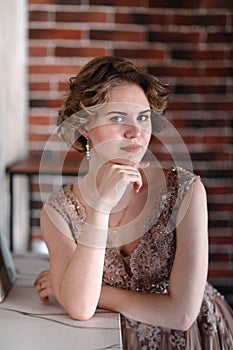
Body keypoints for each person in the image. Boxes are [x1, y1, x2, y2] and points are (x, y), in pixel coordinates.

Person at [34, 56, 233, 349]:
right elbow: (79, 308)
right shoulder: (58, 211)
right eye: (117, 118)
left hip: (197, 338)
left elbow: (181, 314)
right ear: (85, 126)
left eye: (142, 117)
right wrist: (100, 207)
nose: (136, 132)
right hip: (114, 339)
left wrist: (80, 289)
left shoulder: (185, 191)